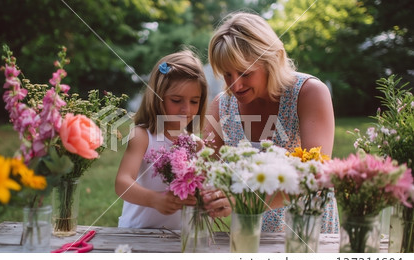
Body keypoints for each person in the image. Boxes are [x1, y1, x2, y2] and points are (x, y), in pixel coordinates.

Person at [203, 11, 339, 233]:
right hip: (250, 233)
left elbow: (316, 175)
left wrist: (242, 201)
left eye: (245, 73)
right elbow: (208, 173)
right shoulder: (221, 106)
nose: (235, 86)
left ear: (272, 61)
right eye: (227, 74)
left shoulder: (309, 93)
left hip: (307, 229)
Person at [115, 50, 209, 229]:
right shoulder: (142, 136)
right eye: (176, 100)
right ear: (157, 98)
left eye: (194, 101)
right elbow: (122, 182)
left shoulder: (197, 145)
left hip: (177, 239)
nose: (186, 109)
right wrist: (154, 199)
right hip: (137, 235)